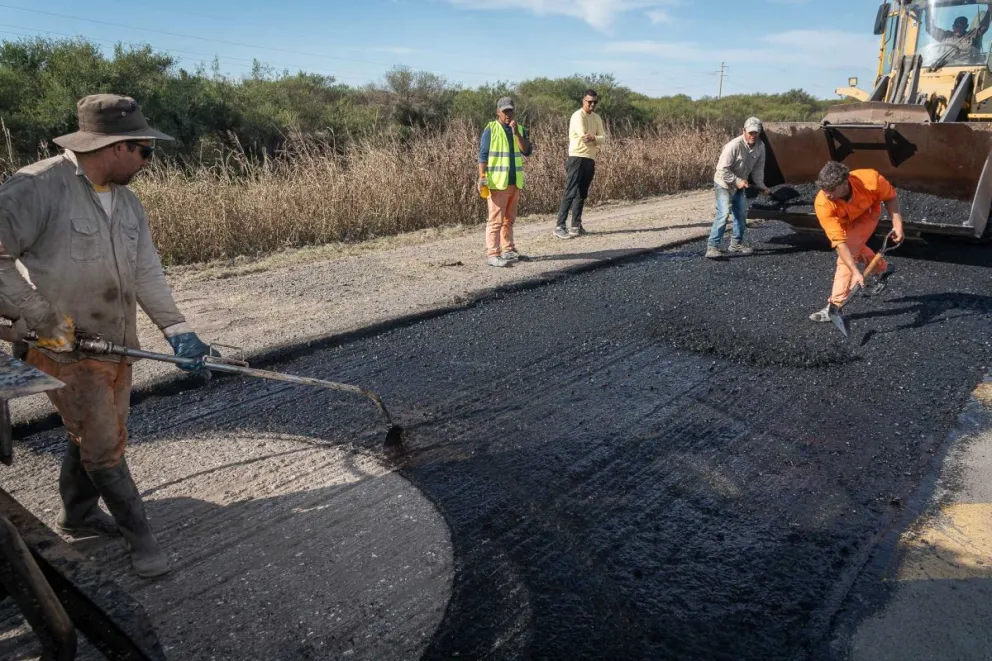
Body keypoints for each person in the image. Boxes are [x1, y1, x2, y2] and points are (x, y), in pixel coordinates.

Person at [0, 94, 216, 578]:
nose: (148, 161)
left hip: (116, 343)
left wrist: (179, 332)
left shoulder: (127, 202)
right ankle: (142, 539)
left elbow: (146, 273)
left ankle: (77, 513)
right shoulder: (36, 187)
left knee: (100, 430)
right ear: (118, 146)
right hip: (62, 348)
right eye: (145, 151)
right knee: (103, 442)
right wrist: (41, 317)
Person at [808, 161, 905, 323]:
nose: (827, 194)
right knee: (850, 250)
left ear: (844, 184)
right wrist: (855, 271)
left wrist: (897, 224)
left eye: (831, 190)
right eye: (824, 189)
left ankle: (834, 306)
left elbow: (890, 197)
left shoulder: (870, 180)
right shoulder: (823, 203)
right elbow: (839, 243)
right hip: (843, 219)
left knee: (849, 252)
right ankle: (882, 268)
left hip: (868, 213)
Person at [478, 97, 533, 267]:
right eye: (505, 111)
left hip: (514, 182)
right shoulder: (491, 129)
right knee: (495, 220)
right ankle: (493, 254)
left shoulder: (520, 129)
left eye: (510, 111)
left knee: (509, 219)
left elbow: (526, 151)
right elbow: (483, 156)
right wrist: (482, 177)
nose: (508, 114)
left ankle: (508, 250)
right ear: (498, 112)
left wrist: (516, 133)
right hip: (497, 183)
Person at [705, 117, 772, 259]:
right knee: (723, 213)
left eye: (756, 133)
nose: (753, 135)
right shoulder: (734, 145)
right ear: (744, 131)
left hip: (739, 185)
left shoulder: (760, 147)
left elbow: (758, 169)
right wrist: (737, 181)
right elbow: (722, 169)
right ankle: (712, 247)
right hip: (724, 183)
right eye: (750, 132)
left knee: (741, 214)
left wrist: (761, 186)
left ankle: (736, 244)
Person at [554, 89, 606, 239]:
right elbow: (584, 137)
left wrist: (594, 138)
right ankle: (559, 226)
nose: (592, 104)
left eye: (595, 102)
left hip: (590, 157)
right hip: (577, 157)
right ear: (583, 101)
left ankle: (576, 225)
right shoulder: (578, 116)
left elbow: (603, 138)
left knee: (582, 193)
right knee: (570, 191)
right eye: (589, 102)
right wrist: (595, 138)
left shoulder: (596, 117)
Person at [924, 10, 991, 53]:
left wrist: (990, 10)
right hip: (944, 67)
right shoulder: (945, 36)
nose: (959, 29)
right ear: (953, 27)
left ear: (966, 27)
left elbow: (983, 28)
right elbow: (930, 28)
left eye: (962, 27)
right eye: (957, 27)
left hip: (968, 68)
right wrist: (928, 11)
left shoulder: (972, 36)